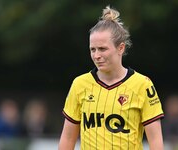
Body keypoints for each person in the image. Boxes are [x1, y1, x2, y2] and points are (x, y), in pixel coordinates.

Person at [59, 6, 164, 150]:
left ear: (120, 48)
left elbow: (156, 140)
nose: (96, 55)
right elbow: (68, 138)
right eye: (92, 49)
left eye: (102, 49)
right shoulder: (80, 84)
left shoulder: (142, 84)